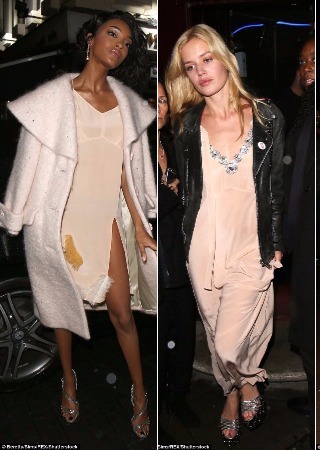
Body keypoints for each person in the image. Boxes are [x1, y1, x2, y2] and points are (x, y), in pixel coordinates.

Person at [0, 10, 156, 439]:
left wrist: (140, 223)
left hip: (105, 217)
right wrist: (16, 212)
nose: (119, 46)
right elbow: (27, 163)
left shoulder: (126, 104)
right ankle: (68, 381)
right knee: (63, 312)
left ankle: (141, 392)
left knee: (122, 314)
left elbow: (125, 171)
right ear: (90, 38)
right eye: (112, 34)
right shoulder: (53, 99)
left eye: (126, 43)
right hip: (61, 219)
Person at [165, 24, 284, 447]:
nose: (200, 72)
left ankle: (247, 381)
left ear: (225, 59)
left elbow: (275, 186)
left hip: (251, 242)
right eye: (190, 67)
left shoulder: (267, 116)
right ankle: (230, 395)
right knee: (216, 332)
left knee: (231, 344)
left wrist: (276, 241)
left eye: (207, 59)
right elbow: (187, 189)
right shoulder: (186, 125)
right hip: (203, 245)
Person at [156, 80, 200, 430]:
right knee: (158, 336)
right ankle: (155, 405)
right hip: (152, 255)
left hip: (181, 252)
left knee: (184, 332)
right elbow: (147, 205)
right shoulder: (131, 147)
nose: (159, 107)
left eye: (162, 101)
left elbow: (189, 188)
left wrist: (174, 190)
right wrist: (173, 191)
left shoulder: (171, 143)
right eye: (151, 101)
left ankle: (178, 396)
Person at [284, 37, 316, 448]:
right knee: (304, 323)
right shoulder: (305, 110)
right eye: (303, 60)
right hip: (300, 234)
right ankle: (313, 398)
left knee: (309, 323)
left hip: (313, 233)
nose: (307, 66)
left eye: (314, 59)